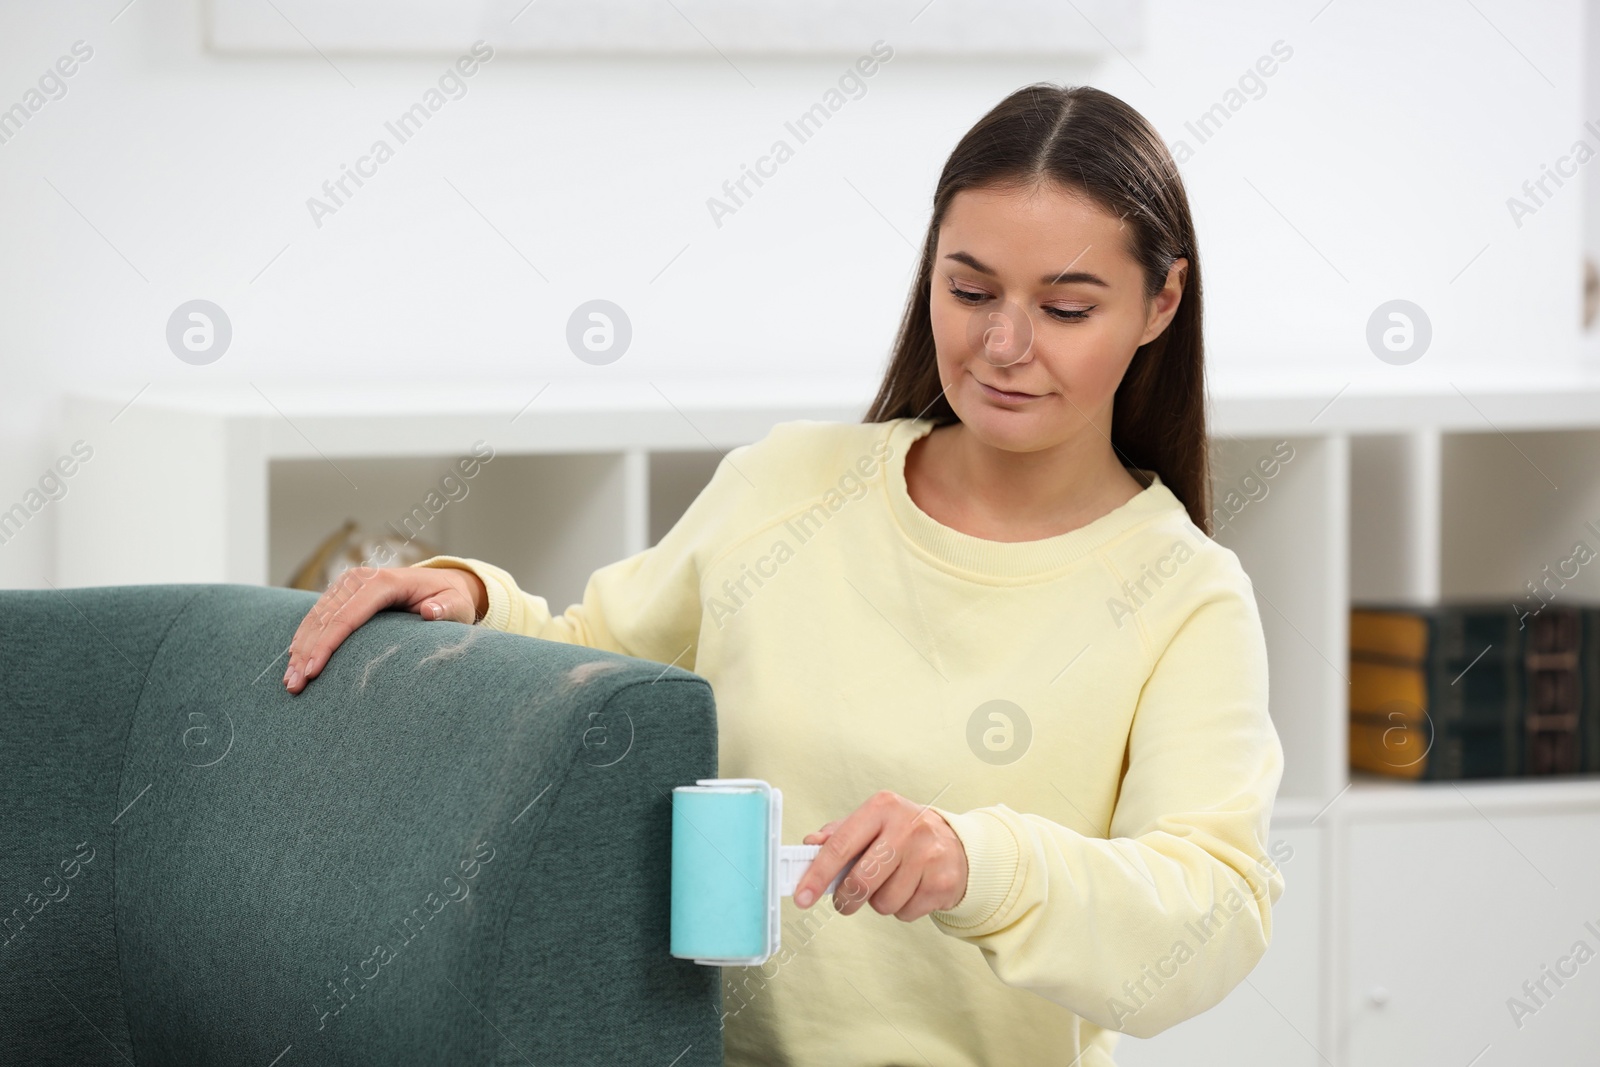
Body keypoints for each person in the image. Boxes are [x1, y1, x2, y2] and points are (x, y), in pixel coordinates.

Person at [282, 81, 1285, 1067]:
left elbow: (1211, 912)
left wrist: (979, 861)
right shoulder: (789, 485)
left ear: (1161, 301)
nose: (1002, 345)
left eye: (1065, 307)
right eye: (969, 291)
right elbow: (598, 667)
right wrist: (469, 601)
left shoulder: (1183, 594)